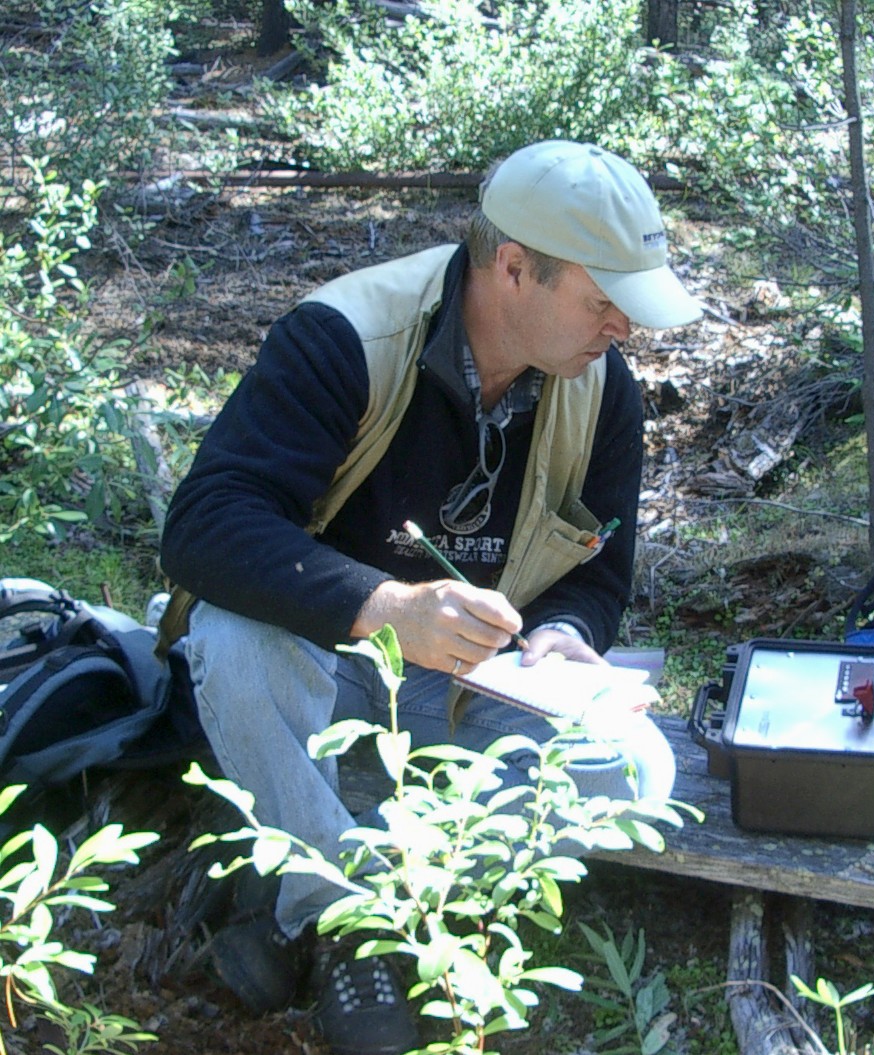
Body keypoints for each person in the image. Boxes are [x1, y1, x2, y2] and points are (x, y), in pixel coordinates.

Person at [159, 140, 704, 1055]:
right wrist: (386, 608)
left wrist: (570, 634)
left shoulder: (602, 391)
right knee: (233, 641)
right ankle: (348, 925)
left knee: (637, 771)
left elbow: (598, 573)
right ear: (513, 267)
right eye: (603, 298)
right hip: (324, 672)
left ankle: (354, 895)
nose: (623, 327)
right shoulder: (344, 338)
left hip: (474, 688)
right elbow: (204, 526)